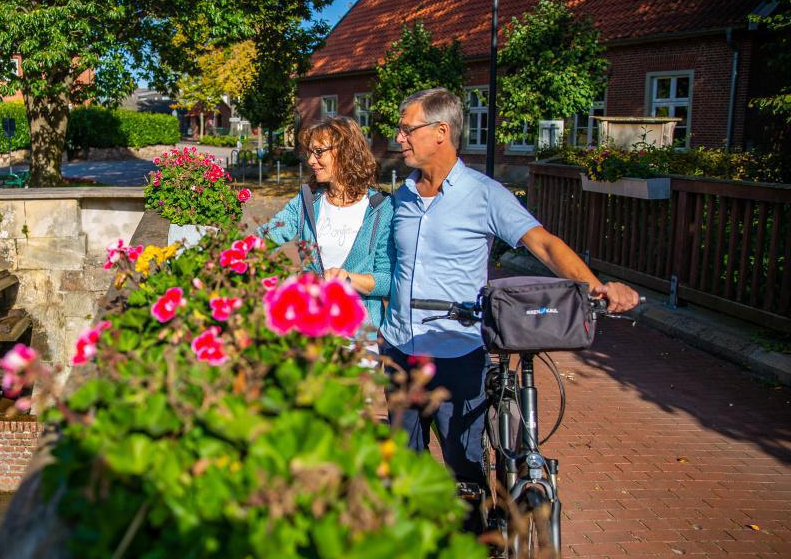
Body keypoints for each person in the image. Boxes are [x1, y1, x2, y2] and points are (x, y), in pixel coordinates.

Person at [379, 88, 639, 517]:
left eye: (407, 129)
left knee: (463, 467)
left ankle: (469, 547)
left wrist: (596, 287)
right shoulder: (401, 196)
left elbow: (544, 244)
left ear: (441, 132)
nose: (399, 137)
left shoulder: (485, 194)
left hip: (456, 350)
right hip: (400, 348)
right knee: (402, 466)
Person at [260, 116, 394, 348]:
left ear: (345, 152)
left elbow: (386, 280)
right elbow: (266, 235)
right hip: (310, 331)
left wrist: (347, 278)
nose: (311, 160)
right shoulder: (308, 201)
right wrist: (228, 252)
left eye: (319, 152)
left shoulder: (380, 208)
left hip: (359, 338)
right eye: (310, 152)